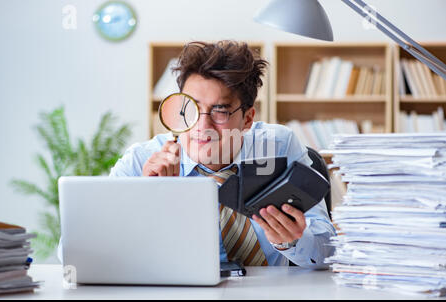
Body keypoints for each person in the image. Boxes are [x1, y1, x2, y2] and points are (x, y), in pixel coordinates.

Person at [109, 40, 336, 268]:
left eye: (220, 111)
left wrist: (293, 241)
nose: (202, 124)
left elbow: (328, 251)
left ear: (247, 119)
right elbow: (107, 251)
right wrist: (150, 201)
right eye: (190, 107)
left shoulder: (278, 147)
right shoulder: (140, 164)